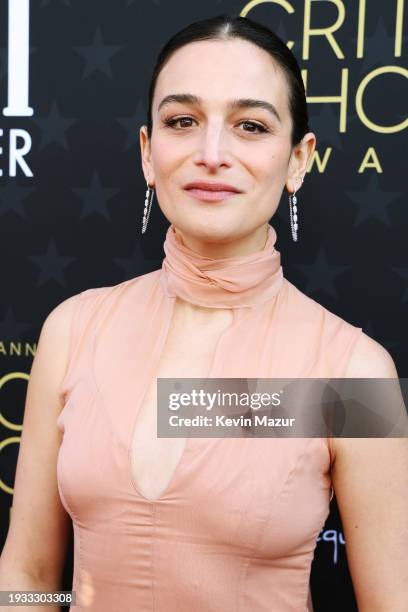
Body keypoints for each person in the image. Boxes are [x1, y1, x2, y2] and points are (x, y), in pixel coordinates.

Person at [1, 13, 407, 612]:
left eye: (250, 125)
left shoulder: (353, 372)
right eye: (182, 121)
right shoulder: (73, 328)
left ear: (298, 160)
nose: (211, 153)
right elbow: (31, 576)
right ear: (147, 151)